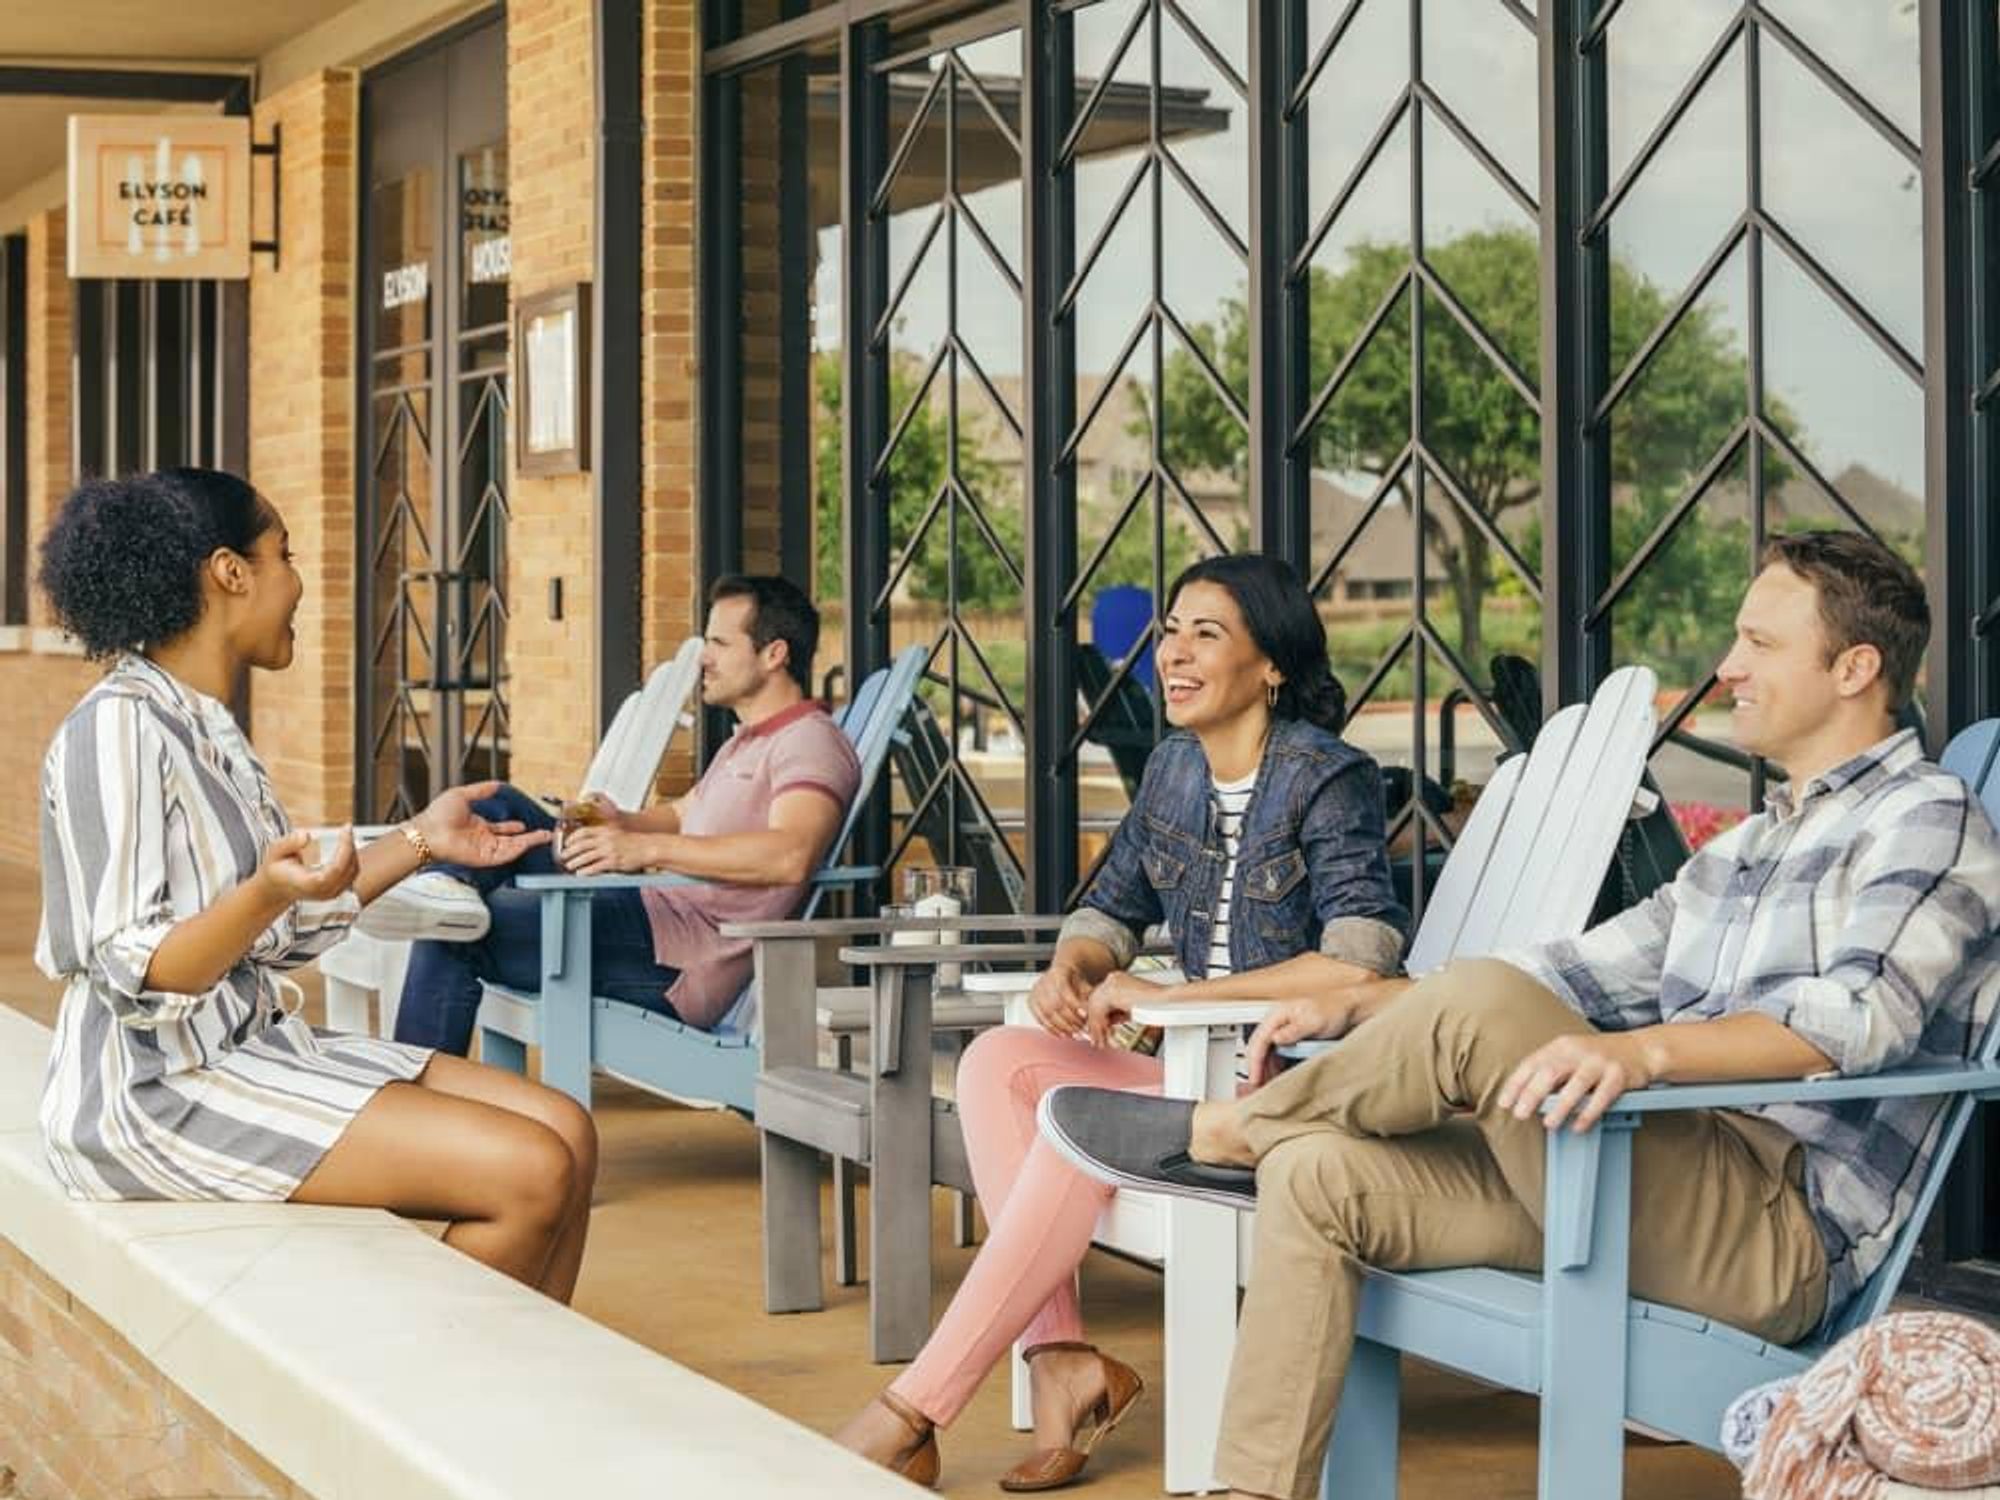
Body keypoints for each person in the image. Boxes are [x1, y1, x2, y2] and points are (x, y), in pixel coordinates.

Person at [1037, 531, 2000, 1500]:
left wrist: (1637, 1057)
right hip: (1632, 1168)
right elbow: (1572, 972)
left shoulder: (1925, 818)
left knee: (1473, 1009)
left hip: (1774, 1224)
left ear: (1854, 667)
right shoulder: (1746, 848)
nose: (1727, 667)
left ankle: (1229, 1130)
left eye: (1758, 642)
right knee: (1318, 1172)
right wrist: (1362, 999)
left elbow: (1852, 1022)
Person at [836, 553, 1409, 1491]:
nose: (1174, 655)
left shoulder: (1325, 775)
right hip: (1188, 1069)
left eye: (1207, 635)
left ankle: (915, 1410)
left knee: (1070, 1127)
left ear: (1271, 665)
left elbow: (1358, 958)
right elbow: (1110, 908)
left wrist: (1169, 999)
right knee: (996, 1064)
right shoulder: (1175, 767)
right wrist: (1077, 966)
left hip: (1283, 1085)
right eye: (1171, 632)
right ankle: (1064, 1363)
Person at [35, 468, 598, 1300]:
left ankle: (520, 1395)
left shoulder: (207, 728)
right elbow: (145, 969)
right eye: (284, 555)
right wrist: (266, 891)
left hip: (244, 1044)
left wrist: (421, 839)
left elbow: (280, 927)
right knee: (532, 1170)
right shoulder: (119, 728)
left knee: (569, 1130)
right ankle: (430, 1409)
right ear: (230, 572)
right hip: (153, 1091)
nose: (298, 582)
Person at [387, 574, 861, 1054]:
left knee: (453, 930)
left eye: (718, 642)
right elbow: (682, 813)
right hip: (646, 915)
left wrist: (640, 848)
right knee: (499, 804)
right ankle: (446, 887)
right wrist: (618, 822)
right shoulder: (748, 740)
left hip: (677, 957)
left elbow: (791, 854)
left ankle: (409, 1101)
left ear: (774, 654)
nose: (703, 656)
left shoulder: (810, 743)